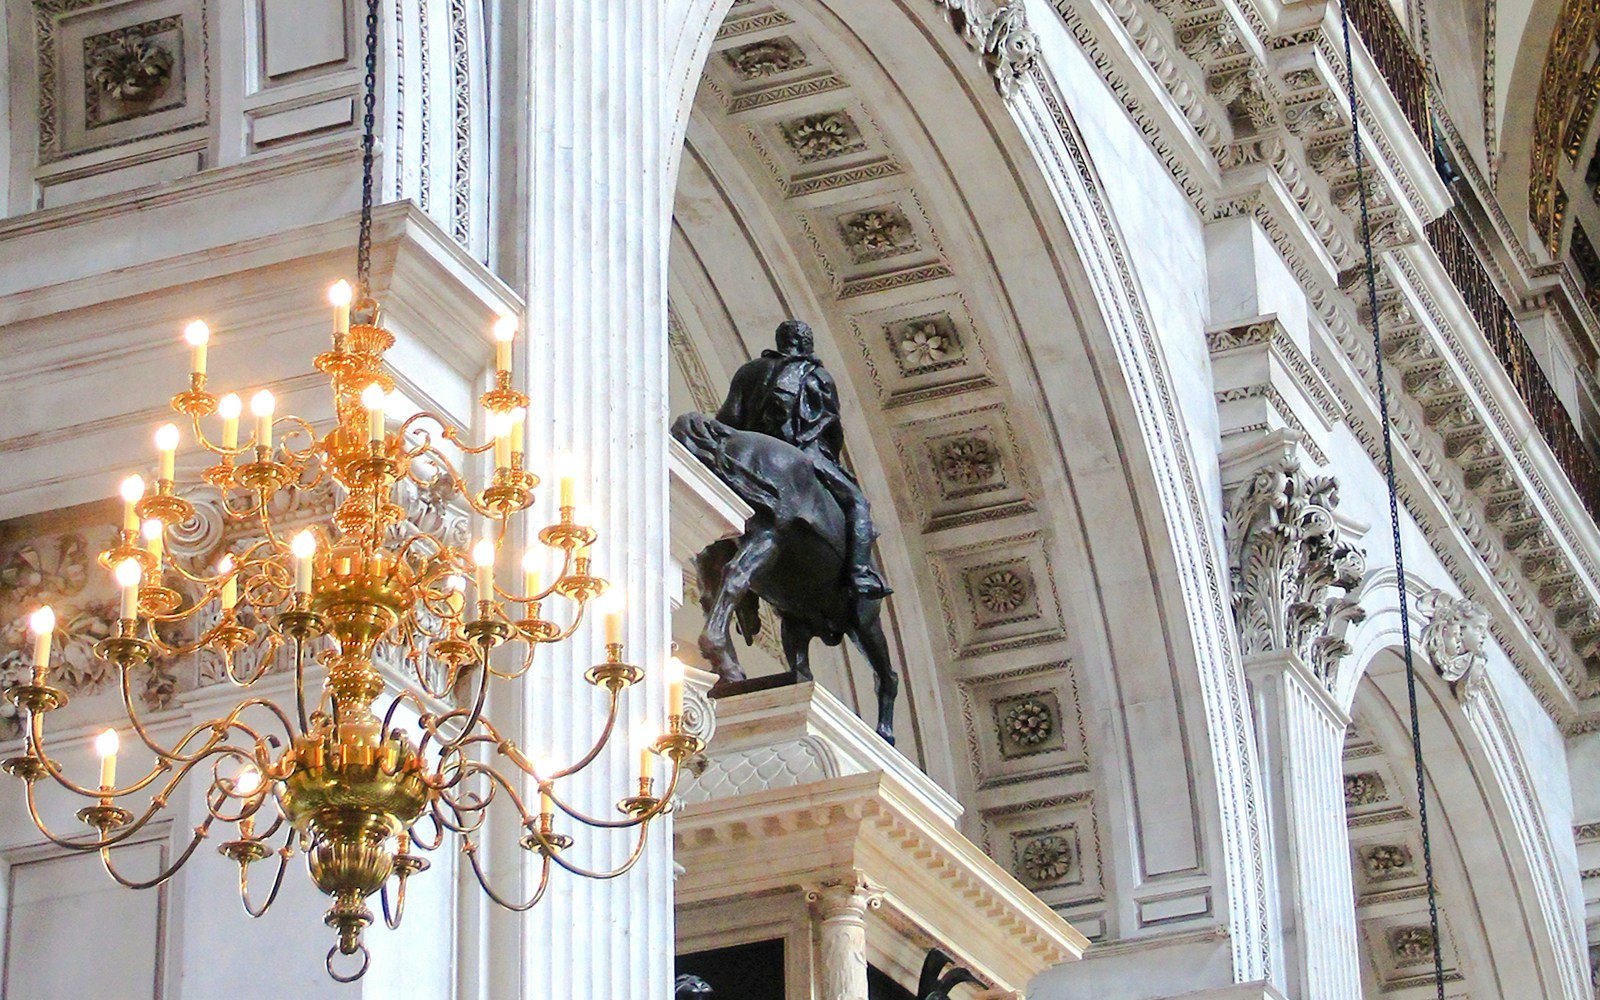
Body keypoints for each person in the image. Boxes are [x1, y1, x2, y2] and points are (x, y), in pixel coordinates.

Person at [715, 320, 891, 601]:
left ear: (780, 340)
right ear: (806, 344)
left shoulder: (749, 371)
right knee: (858, 502)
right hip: (805, 452)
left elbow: (728, 418)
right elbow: (831, 429)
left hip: (749, 458)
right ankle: (860, 574)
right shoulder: (817, 376)